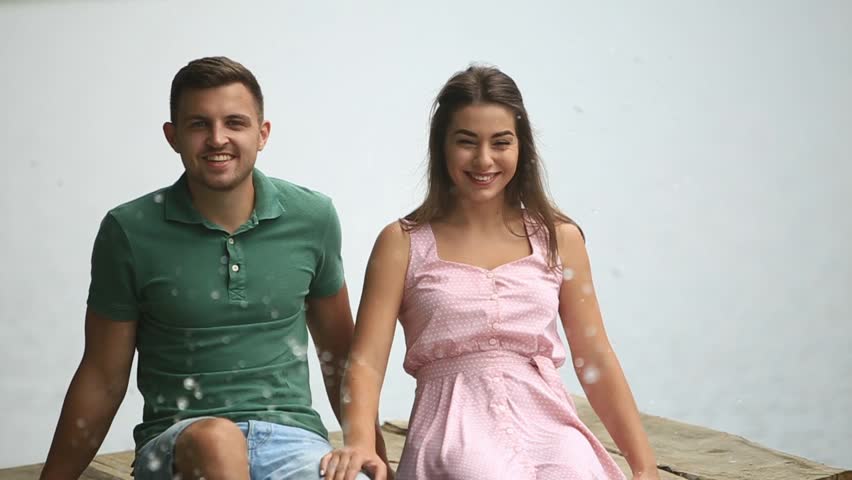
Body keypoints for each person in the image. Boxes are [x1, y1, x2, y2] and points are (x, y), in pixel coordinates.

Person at [39, 56, 390, 480]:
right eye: (199, 124)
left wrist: (376, 459)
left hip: (293, 443)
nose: (217, 138)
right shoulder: (128, 230)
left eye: (235, 123)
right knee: (217, 440)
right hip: (178, 441)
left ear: (262, 134)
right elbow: (102, 375)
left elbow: (338, 354)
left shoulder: (312, 218)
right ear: (173, 137)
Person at [321, 65, 658, 480]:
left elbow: (596, 358)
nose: (484, 159)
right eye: (466, 142)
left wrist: (643, 466)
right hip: (452, 426)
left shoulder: (560, 238)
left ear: (522, 147)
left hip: (548, 420)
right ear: (442, 147)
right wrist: (357, 441)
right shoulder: (401, 242)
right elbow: (367, 361)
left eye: (501, 143)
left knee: (578, 470)